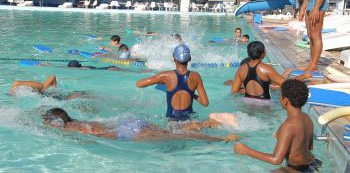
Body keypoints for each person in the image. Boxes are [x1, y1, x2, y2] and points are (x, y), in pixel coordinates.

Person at [234, 79, 321, 172]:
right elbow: (309, 147)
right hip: (313, 163)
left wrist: (246, 151)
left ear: (285, 100)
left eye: (281, 96)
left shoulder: (288, 126)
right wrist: (285, 137)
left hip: (295, 169)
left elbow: (276, 160)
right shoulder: (307, 118)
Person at [43, 108, 239, 142]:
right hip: (130, 123)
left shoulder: (71, 129)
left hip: (129, 132)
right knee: (171, 130)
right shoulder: (79, 122)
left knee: (175, 135)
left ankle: (222, 138)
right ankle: (210, 123)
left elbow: (100, 136)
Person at [136, 44, 209, 121]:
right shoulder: (196, 76)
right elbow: (205, 103)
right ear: (190, 58)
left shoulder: (165, 76)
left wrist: (161, 80)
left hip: (172, 123)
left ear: (174, 58)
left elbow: (139, 84)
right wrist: (192, 95)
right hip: (189, 121)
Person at [231, 41, 311, 100]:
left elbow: (234, 91)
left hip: (247, 102)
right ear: (263, 54)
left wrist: (251, 91)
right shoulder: (267, 69)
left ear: (248, 54)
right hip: (264, 105)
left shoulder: (240, 69)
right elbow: (287, 85)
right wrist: (302, 76)